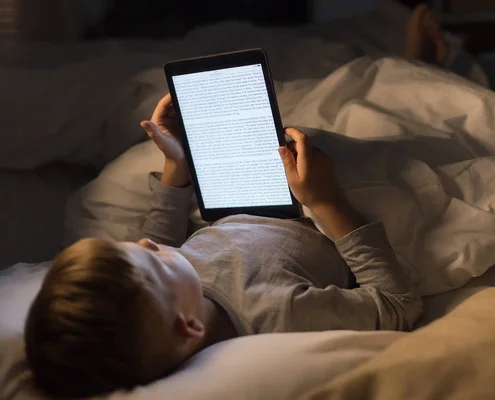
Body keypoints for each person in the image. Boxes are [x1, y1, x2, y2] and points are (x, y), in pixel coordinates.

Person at [23, 5, 453, 398]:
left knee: (313, 108)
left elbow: (162, 240)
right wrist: (326, 201)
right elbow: (397, 306)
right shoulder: (277, 312)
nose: (147, 244)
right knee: (381, 125)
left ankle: (407, 71)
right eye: (149, 261)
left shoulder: (178, 290)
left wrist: (177, 168)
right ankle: (419, 71)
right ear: (187, 327)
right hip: (312, 204)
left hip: (239, 191)